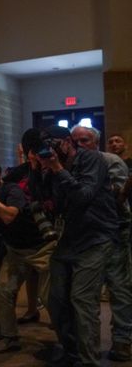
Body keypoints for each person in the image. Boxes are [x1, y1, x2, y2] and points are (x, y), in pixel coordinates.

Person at [29, 125, 120, 366]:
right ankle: (71, 353)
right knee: (55, 300)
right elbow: (41, 200)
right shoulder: (48, 166)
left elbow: (84, 196)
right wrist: (36, 170)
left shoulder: (90, 159)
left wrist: (58, 169)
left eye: (55, 146)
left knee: (82, 300)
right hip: (68, 239)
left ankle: (88, 360)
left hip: (95, 237)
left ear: (67, 142)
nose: (52, 152)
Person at [0, 131, 57, 354]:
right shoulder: (15, 176)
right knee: (3, 290)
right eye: (35, 151)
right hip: (16, 247)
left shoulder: (56, 173)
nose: (41, 156)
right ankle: (10, 337)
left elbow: (9, 212)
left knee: (50, 297)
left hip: (43, 246)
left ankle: (71, 342)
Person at [71, 125, 132, 361]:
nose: (79, 145)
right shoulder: (73, 164)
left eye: (85, 140)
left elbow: (118, 198)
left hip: (116, 229)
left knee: (119, 287)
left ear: (96, 142)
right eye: (75, 141)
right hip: (88, 234)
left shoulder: (109, 161)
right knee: (87, 294)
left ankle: (123, 340)